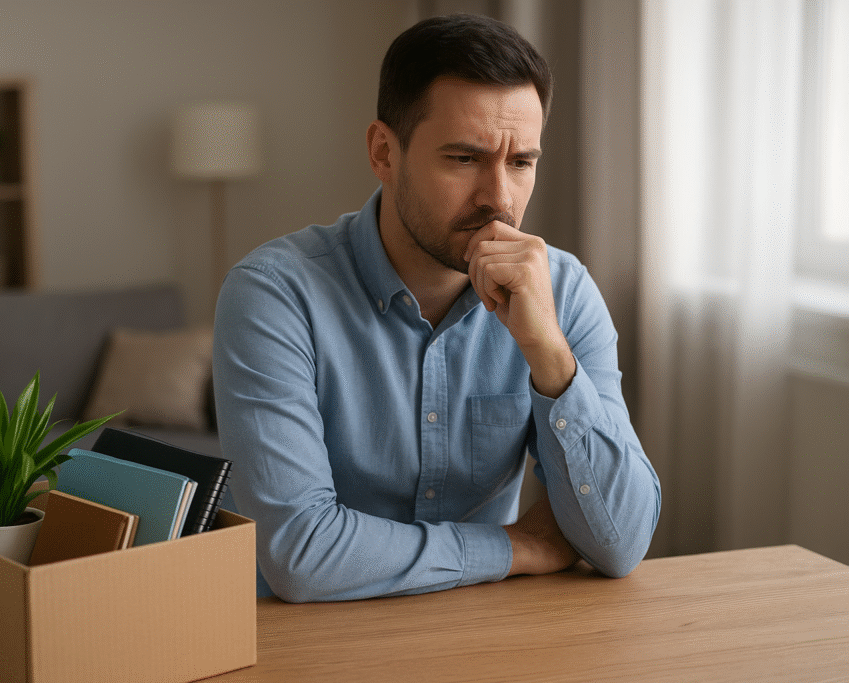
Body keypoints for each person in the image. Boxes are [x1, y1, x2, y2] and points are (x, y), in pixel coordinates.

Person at [212, 13, 660, 602]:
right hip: (313, 643)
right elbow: (301, 553)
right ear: (383, 152)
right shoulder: (273, 296)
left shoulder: (563, 291)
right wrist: (516, 547)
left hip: (483, 635)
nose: (499, 197)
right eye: (464, 158)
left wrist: (549, 354)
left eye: (521, 162)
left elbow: (621, 544)